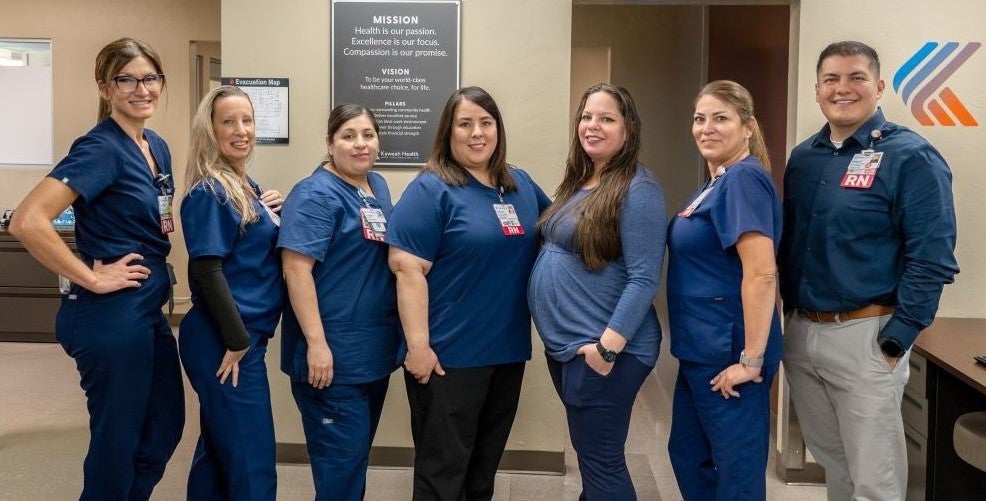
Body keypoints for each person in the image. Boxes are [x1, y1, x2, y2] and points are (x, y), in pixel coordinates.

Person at [779, 41, 959, 500]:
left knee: (874, 481)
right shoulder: (804, 158)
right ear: (817, 90)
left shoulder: (910, 157)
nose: (843, 89)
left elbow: (933, 257)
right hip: (802, 331)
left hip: (867, 335)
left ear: (878, 87)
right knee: (834, 465)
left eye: (856, 77)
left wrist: (898, 336)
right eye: (831, 79)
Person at [8, 37, 184, 499]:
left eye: (149, 78)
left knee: (165, 425)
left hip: (145, 306)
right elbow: (28, 220)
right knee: (118, 439)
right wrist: (90, 276)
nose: (140, 88)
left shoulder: (155, 146)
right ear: (105, 88)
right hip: (109, 314)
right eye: (126, 79)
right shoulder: (101, 148)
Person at [386, 86, 550, 500]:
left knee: (482, 472)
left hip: (507, 353)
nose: (477, 133)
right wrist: (418, 347)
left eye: (486, 122)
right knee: (443, 475)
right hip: (448, 359)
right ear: (448, 131)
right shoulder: (431, 190)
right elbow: (407, 270)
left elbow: (561, 229)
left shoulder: (519, 184)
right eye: (465, 124)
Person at [528, 83, 666, 500]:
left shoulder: (638, 190)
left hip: (608, 350)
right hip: (572, 346)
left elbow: (644, 278)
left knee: (602, 463)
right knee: (593, 458)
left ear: (628, 129)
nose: (593, 125)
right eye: (587, 117)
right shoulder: (583, 179)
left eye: (607, 118)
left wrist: (606, 349)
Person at [665, 80, 781, 500]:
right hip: (699, 349)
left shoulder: (744, 181)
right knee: (689, 456)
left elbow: (762, 274)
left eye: (720, 118)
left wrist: (751, 360)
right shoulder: (718, 181)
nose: (706, 128)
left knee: (735, 473)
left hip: (729, 354)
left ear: (747, 126)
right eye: (699, 119)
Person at [277, 104, 400, 500]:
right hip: (330, 360)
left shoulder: (377, 186)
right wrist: (316, 344)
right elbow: (296, 271)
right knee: (340, 474)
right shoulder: (314, 194)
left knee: (353, 463)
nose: (360, 144)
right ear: (330, 143)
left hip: (370, 355)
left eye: (368, 134)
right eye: (348, 135)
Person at [178, 85, 285, 500]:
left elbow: (249, 250)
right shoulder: (209, 191)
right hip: (225, 341)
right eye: (229, 121)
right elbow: (206, 269)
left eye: (247, 120)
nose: (241, 130)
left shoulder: (245, 186)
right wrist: (238, 341)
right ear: (211, 129)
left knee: (220, 452)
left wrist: (274, 210)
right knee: (251, 459)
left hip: (236, 337)